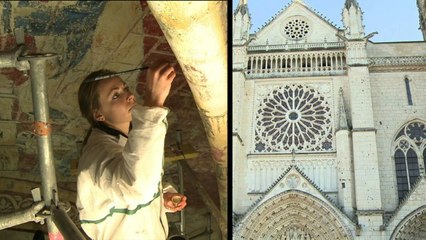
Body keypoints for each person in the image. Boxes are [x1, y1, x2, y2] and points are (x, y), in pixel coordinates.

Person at [76, 62, 187, 239]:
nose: (129, 96)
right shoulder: (97, 153)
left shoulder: (129, 136)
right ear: (99, 115)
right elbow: (136, 188)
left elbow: (137, 178)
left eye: (125, 88)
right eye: (115, 95)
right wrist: (153, 104)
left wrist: (163, 197)